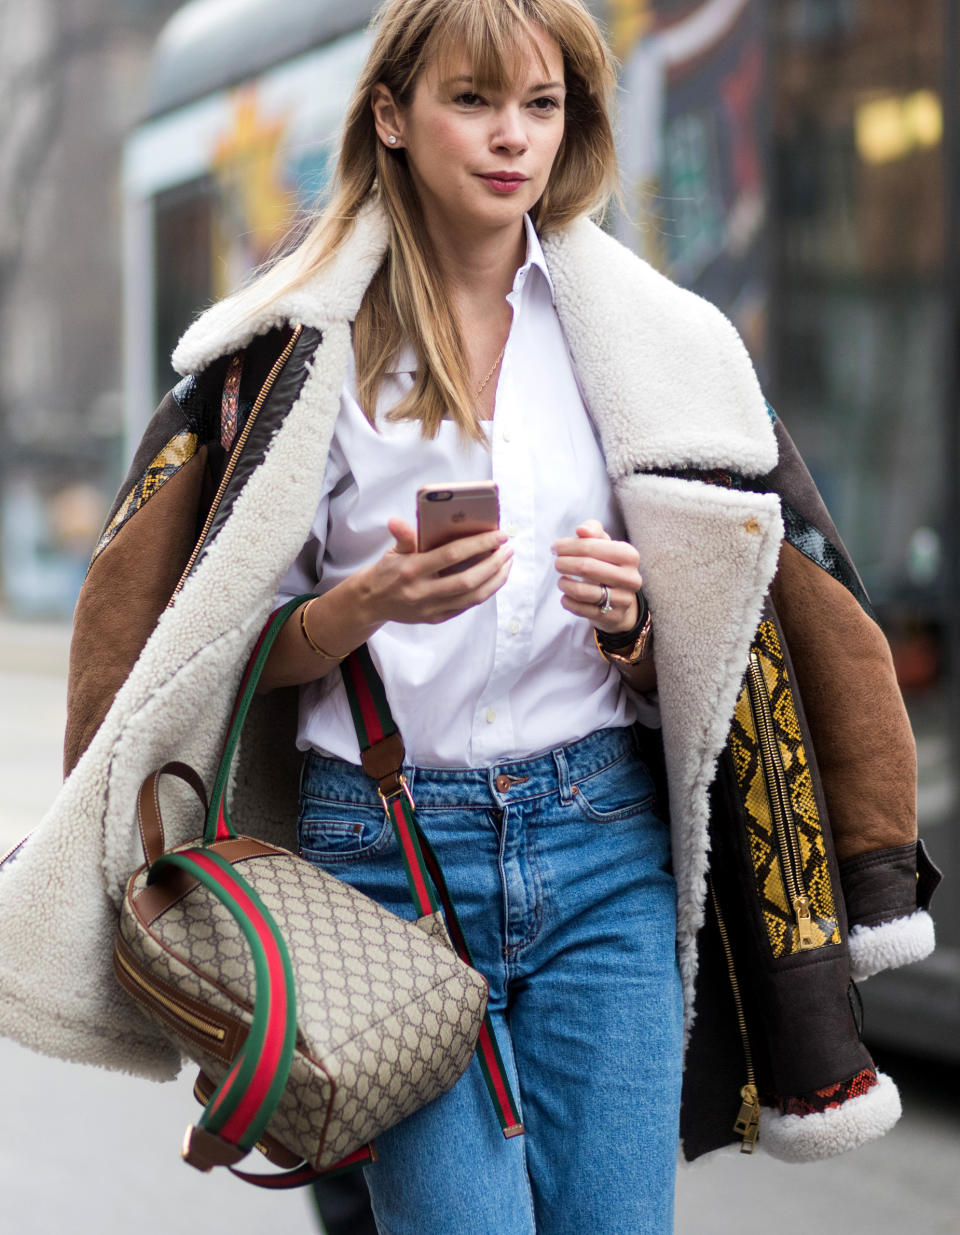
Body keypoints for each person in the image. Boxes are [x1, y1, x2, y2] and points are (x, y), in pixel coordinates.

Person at [0, 1, 939, 1233]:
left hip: (604, 849)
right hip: (384, 866)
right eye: (474, 101)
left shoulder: (653, 345)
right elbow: (228, 647)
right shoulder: (296, 357)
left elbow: (736, 638)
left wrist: (639, 620)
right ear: (392, 114)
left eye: (540, 107)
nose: (513, 139)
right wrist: (361, 605)